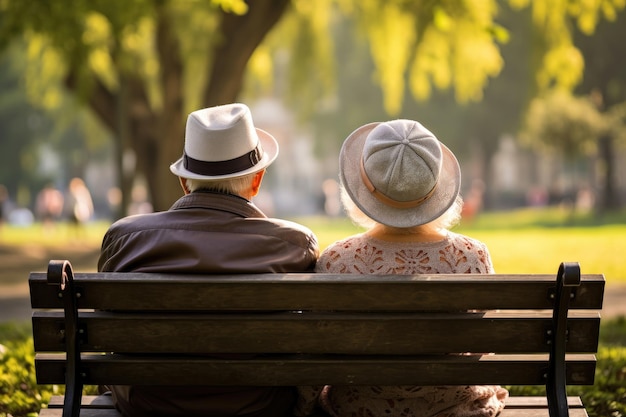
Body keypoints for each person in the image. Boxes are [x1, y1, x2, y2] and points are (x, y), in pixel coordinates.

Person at [98, 103, 319, 417]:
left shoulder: (124, 238)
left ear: (184, 182)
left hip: (147, 405)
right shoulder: (294, 244)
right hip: (259, 406)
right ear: (256, 182)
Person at [295, 119, 508, 417]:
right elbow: (483, 347)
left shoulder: (337, 260)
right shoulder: (472, 257)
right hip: (453, 408)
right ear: (435, 187)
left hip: (357, 409)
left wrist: (302, 407)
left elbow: (317, 354)